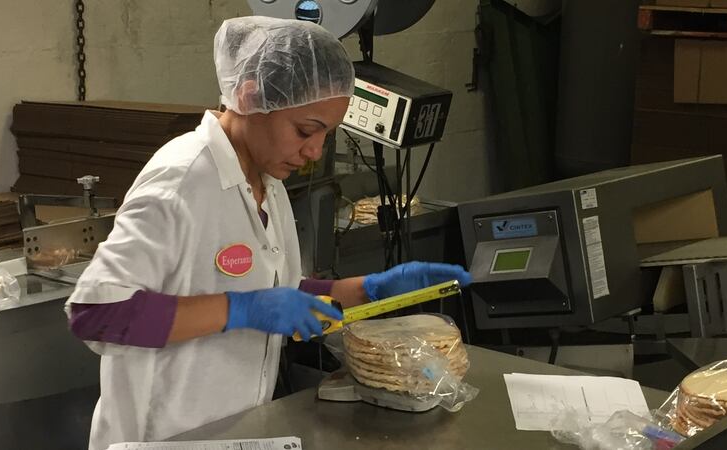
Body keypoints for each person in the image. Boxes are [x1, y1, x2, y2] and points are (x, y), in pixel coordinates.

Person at [66, 16, 472, 450]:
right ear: (249, 96)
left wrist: (371, 291)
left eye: (326, 135)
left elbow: (276, 291)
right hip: (161, 439)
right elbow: (96, 314)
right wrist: (240, 310)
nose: (314, 151)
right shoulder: (183, 179)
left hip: (234, 433)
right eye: (305, 130)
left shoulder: (267, 184)